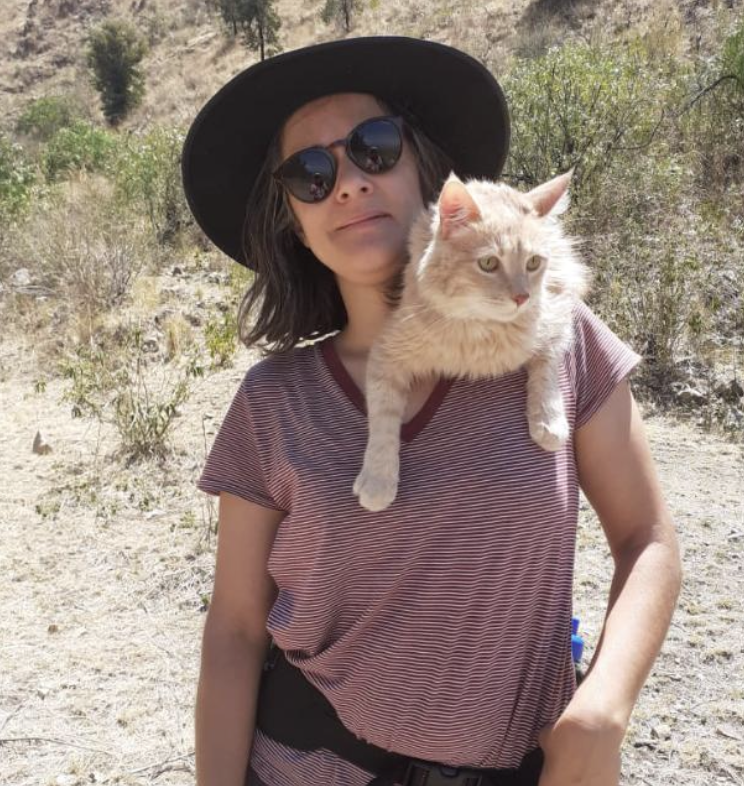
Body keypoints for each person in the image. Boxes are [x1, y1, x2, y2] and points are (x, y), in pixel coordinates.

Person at [182, 37, 682, 786]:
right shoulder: (272, 403)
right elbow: (235, 630)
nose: (346, 183)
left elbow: (647, 539)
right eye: (310, 173)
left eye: (374, 148)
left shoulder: (557, 337)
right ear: (292, 217)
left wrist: (601, 711)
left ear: (429, 173)